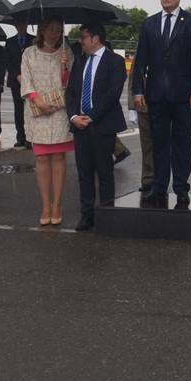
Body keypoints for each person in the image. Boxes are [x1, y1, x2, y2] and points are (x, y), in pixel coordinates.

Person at [131, 0, 191, 209]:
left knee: (182, 144)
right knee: (159, 143)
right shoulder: (149, 24)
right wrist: (137, 91)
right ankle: (159, 186)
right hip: (156, 95)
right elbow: (140, 60)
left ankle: (181, 188)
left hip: (183, 95)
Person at [65, 22, 128, 230]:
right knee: (84, 172)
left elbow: (112, 94)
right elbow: (71, 92)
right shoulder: (80, 62)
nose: (80, 42)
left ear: (95, 38)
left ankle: (107, 214)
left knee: (104, 172)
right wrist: (74, 116)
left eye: (83, 37)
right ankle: (87, 214)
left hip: (102, 125)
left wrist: (90, 116)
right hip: (80, 125)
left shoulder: (115, 62)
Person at [21, 17, 75, 225]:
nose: (54, 34)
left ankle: (57, 204)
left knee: (59, 157)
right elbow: (25, 80)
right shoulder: (29, 53)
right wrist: (37, 99)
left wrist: (64, 69)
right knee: (42, 159)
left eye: (58, 30)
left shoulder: (66, 52)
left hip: (59, 110)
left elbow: (70, 83)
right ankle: (45, 204)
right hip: (37, 109)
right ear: (42, 31)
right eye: (51, 30)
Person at [4, 22, 34, 148]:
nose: (21, 27)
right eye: (19, 25)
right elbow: (8, 61)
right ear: (16, 27)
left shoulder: (33, 40)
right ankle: (20, 137)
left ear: (26, 26)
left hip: (31, 80)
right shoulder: (10, 42)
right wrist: (17, 75)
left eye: (23, 25)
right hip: (16, 81)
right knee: (18, 109)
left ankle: (30, 137)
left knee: (31, 109)